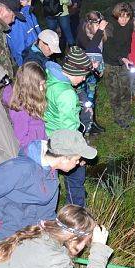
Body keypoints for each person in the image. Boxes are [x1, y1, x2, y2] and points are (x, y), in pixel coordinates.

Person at [0, 129, 96, 250]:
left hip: (27, 234)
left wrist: (55, 235)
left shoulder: (51, 171)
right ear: (64, 158)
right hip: (4, 235)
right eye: (76, 159)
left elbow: (47, 210)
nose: (78, 163)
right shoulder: (19, 169)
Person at [45, 46, 94, 206]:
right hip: (63, 141)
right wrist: (79, 153)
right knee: (76, 176)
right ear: (75, 71)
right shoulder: (66, 94)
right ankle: (77, 211)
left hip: (49, 134)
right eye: (83, 75)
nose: (84, 79)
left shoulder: (51, 78)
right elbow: (69, 130)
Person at [103, 3, 135, 129]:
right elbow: (109, 48)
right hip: (110, 63)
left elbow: (128, 43)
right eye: (121, 17)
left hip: (124, 62)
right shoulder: (110, 26)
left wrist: (126, 58)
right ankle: (119, 118)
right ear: (117, 15)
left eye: (127, 17)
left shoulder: (129, 25)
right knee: (114, 92)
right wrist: (120, 58)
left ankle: (127, 114)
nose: (124, 20)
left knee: (126, 90)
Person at [1, 62, 48, 150]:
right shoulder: (20, 110)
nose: (43, 88)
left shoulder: (31, 100)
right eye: (40, 85)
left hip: (40, 145)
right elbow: (21, 139)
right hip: (32, 152)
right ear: (30, 87)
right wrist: (38, 150)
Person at [76, 11, 108, 135]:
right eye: (98, 24)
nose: (102, 27)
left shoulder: (97, 33)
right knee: (84, 100)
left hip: (93, 72)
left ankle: (92, 123)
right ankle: (83, 126)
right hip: (83, 73)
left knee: (92, 96)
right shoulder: (83, 33)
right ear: (90, 24)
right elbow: (91, 49)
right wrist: (100, 31)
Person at [7, 0, 41, 66]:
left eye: (31, 0)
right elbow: (19, 50)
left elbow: (37, 32)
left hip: (36, 56)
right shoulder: (16, 22)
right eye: (28, 1)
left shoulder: (30, 15)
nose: (30, 4)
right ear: (20, 1)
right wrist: (24, 67)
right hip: (27, 62)